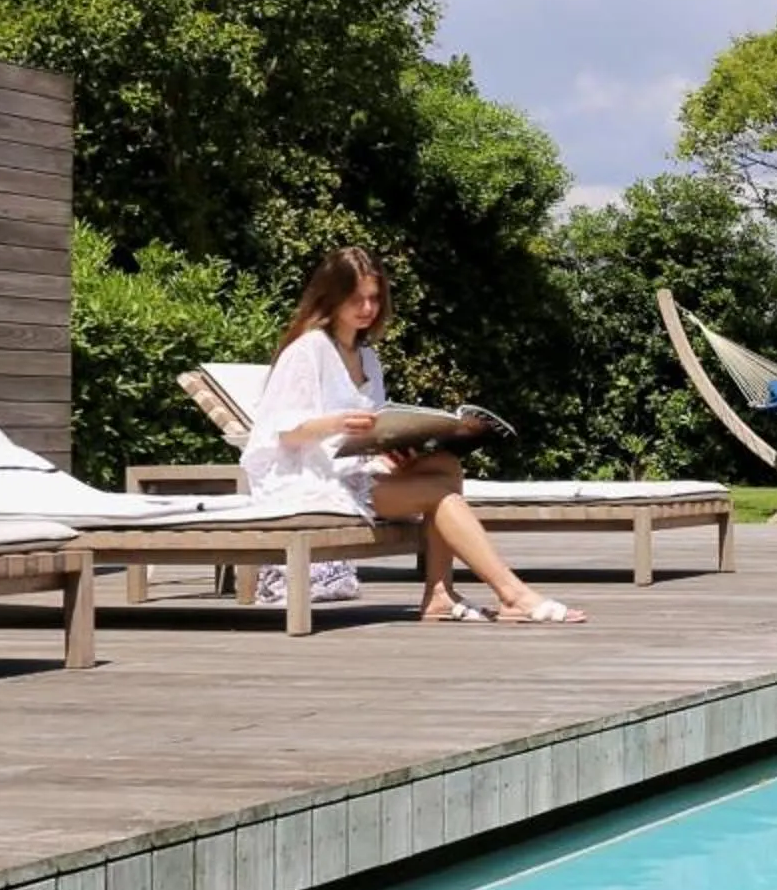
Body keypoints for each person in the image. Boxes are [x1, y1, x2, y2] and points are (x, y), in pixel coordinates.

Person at [244, 247, 588, 625]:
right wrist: (337, 423)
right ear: (333, 296)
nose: (368, 308)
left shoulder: (367, 358)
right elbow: (283, 432)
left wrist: (396, 447)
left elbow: (374, 427)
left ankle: (439, 593)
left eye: (375, 298)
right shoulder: (308, 350)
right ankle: (512, 593)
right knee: (440, 494)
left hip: (355, 469)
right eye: (357, 298)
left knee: (445, 463)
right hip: (315, 481)